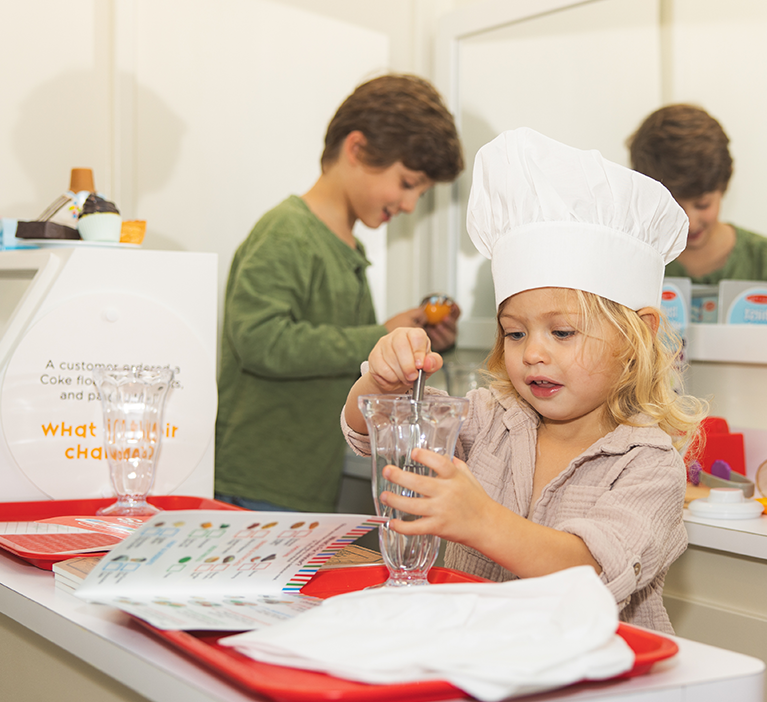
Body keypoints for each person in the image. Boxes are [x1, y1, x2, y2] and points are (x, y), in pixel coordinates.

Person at [341, 128, 705, 633]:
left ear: (637, 336)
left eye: (561, 331)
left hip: (589, 688)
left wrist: (482, 520)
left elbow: (592, 573)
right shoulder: (488, 420)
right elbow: (374, 431)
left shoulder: (647, 467)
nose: (533, 352)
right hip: (479, 662)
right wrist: (383, 382)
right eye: (514, 333)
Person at [215, 74, 464, 513]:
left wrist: (403, 346)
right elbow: (259, 340)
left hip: (306, 480)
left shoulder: (349, 247)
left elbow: (348, 355)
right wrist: (377, 334)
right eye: (408, 184)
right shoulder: (287, 230)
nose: (409, 206)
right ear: (357, 149)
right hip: (255, 481)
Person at [628, 103, 767, 324]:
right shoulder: (635, 263)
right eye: (675, 208)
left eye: (703, 204)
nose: (689, 221)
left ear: (724, 184)